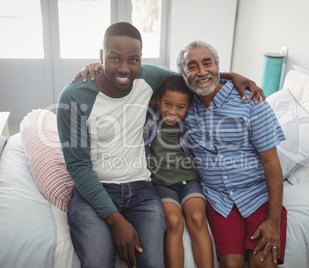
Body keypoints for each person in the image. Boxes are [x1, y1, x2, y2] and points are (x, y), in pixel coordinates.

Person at [59, 22, 264, 267]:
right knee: (97, 261)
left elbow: (192, 79)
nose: (125, 68)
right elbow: (78, 167)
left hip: (141, 190)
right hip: (94, 191)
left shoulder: (148, 76)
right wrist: (115, 220)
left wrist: (233, 76)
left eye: (133, 60)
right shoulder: (73, 96)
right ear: (101, 56)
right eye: (114, 59)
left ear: (141, 59)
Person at [177, 40, 288, 268]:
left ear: (217, 66)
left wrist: (273, 221)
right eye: (192, 66)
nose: (202, 71)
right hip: (219, 201)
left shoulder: (251, 101)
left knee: (263, 263)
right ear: (183, 74)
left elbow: (271, 162)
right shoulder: (184, 107)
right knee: (231, 264)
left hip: (258, 196)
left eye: (208, 64)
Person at [143, 74, 213, 267]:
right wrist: (154, 101)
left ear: (189, 107)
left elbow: (209, 85)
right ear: (159, 100)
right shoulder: (150, 116)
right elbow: (131, 97)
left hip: (189, 181)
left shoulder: (192, 119)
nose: (172, 112)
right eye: (167, 104)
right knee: (173, 221)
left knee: (198, 218)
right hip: (162, 183)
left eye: (180, 107)